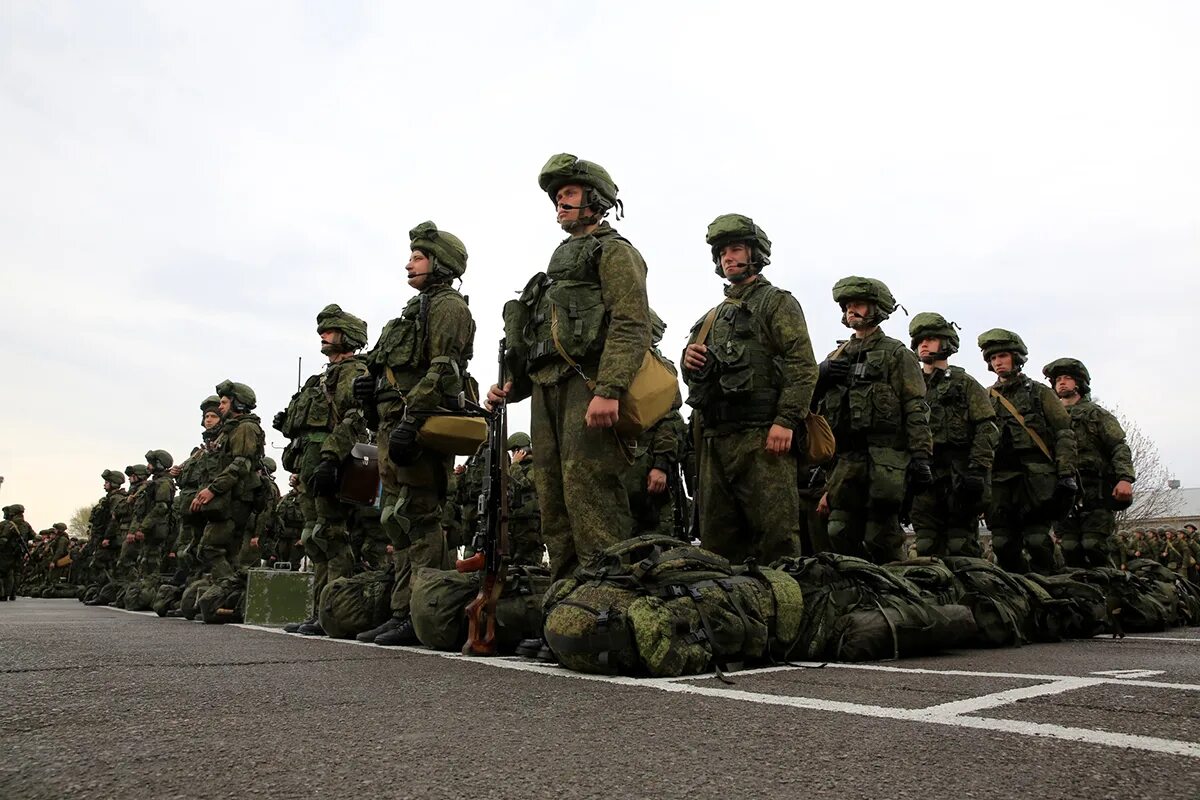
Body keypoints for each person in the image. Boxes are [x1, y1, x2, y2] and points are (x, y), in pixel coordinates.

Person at [488, 153, 651, 582]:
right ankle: (566, 603)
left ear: (595, 200)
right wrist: (510, 384)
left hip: (588, 383)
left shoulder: (614, 252)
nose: (560, 203)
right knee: (553, 497)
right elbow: (540, 337)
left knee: (590, 492)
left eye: (570, 194)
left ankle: (605, 602)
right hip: (546, 390)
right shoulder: (555, 271)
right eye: (558, 196)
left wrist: (610, 388)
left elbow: (631, 322)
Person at [354, 222, 476, 646]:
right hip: (394, 426)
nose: (409, 263)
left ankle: (423, 610)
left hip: (420, 426)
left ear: (440, 263)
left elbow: (445, 369)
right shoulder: (412, 312)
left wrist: (411, 419)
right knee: (394, 518)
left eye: (419, 257)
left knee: (418, 517)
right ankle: (403, 608)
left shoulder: (447, 307)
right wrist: (370, 393)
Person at [682, 214, 817, 563]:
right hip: (715, 439)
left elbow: (802, 365)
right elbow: (697, 381)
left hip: (762, 438)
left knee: (776, 540)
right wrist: (690, 362)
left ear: (755, 253)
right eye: (723, 252)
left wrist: (786, 420)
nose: (728, 257)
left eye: (736, 249)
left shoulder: (776, 303)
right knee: (717, 544)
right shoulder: (711, 317)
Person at [814, 277, 932, 564]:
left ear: (877, 309)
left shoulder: (897, 354)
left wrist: (920, 456)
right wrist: (821, 374)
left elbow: (915, 406)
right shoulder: (836, 357)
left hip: (886, 459)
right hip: (845, 461)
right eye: (848, 306)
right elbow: (813, 407)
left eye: (859, 305)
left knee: (882, 536)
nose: (851, 310)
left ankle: (898, 596)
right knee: (839, 530)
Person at [274, 304, 371, 636]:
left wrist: (331, 458)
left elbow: (354, 418)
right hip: (310, 460)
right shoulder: (321, 378)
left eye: (329, 330)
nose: (323, 334)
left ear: (347, 336)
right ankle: (319, 612)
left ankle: (336, 612)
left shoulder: (355, 372)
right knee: (314, 539)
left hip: (335, 459)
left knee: (332, 537)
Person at [977, 329, 1077, 574]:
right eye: (993, 358)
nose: (998, 362)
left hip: (1035, 479)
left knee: (1037, 541)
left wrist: (1066, 473)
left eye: (1002, 356)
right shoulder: (985, 397)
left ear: (1016, 358)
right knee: (1002, 543)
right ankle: (1021, 591)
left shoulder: (1040, 392)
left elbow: (1064, 433)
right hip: (1000, 479)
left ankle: (1054, 587)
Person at [907, 313, 998, 557]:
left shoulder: (964, 383)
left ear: (946, 343)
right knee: (925, 544)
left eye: (930, 339)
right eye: (919, 340)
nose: (923, 345)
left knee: (960, 544)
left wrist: (978, 469)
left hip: (958, 473)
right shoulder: (910, 384)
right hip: (923, 474)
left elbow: (987, 427)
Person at [1042, 358, 1134, 568]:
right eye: (1057, 380)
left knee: (1094, 545)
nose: (1062, 383)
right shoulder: (1048, 420)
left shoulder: (1096, 414)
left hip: (1095, 490)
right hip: (1063, 492)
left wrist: (1125, 478)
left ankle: (1112, 593)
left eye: (1067, 378)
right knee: (1069, 547)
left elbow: (1118, 446)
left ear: (1079, 384)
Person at [190, 381, 266, 580]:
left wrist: (212, 490)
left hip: (236, 498)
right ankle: (228, 598)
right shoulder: (230, 429)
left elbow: (241, 464)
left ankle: (228, 587)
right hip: (227, 497)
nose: (220, 406)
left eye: (224, 403)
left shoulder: (246, 427)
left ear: (238, 403)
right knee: (229, 553)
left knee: (209, 548)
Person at [505, 432, 545, 565]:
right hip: (517, 520)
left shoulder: (535, 466)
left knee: (529, 561)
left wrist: (515, 465)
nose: (512, 455)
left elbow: (524, 484)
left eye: (513, 451)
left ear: (520, 450)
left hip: (530, 522)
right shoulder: (516, 468)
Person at [135, 449, 176, 576]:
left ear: (158, 464)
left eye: (150, 463)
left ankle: (150, 591)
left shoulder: (163, 483)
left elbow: (161, 507)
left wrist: (144, 527)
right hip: (152, 528)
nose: (148, 466)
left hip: (156, 529)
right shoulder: (156, 482)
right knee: (144, 561)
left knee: (151, 562)